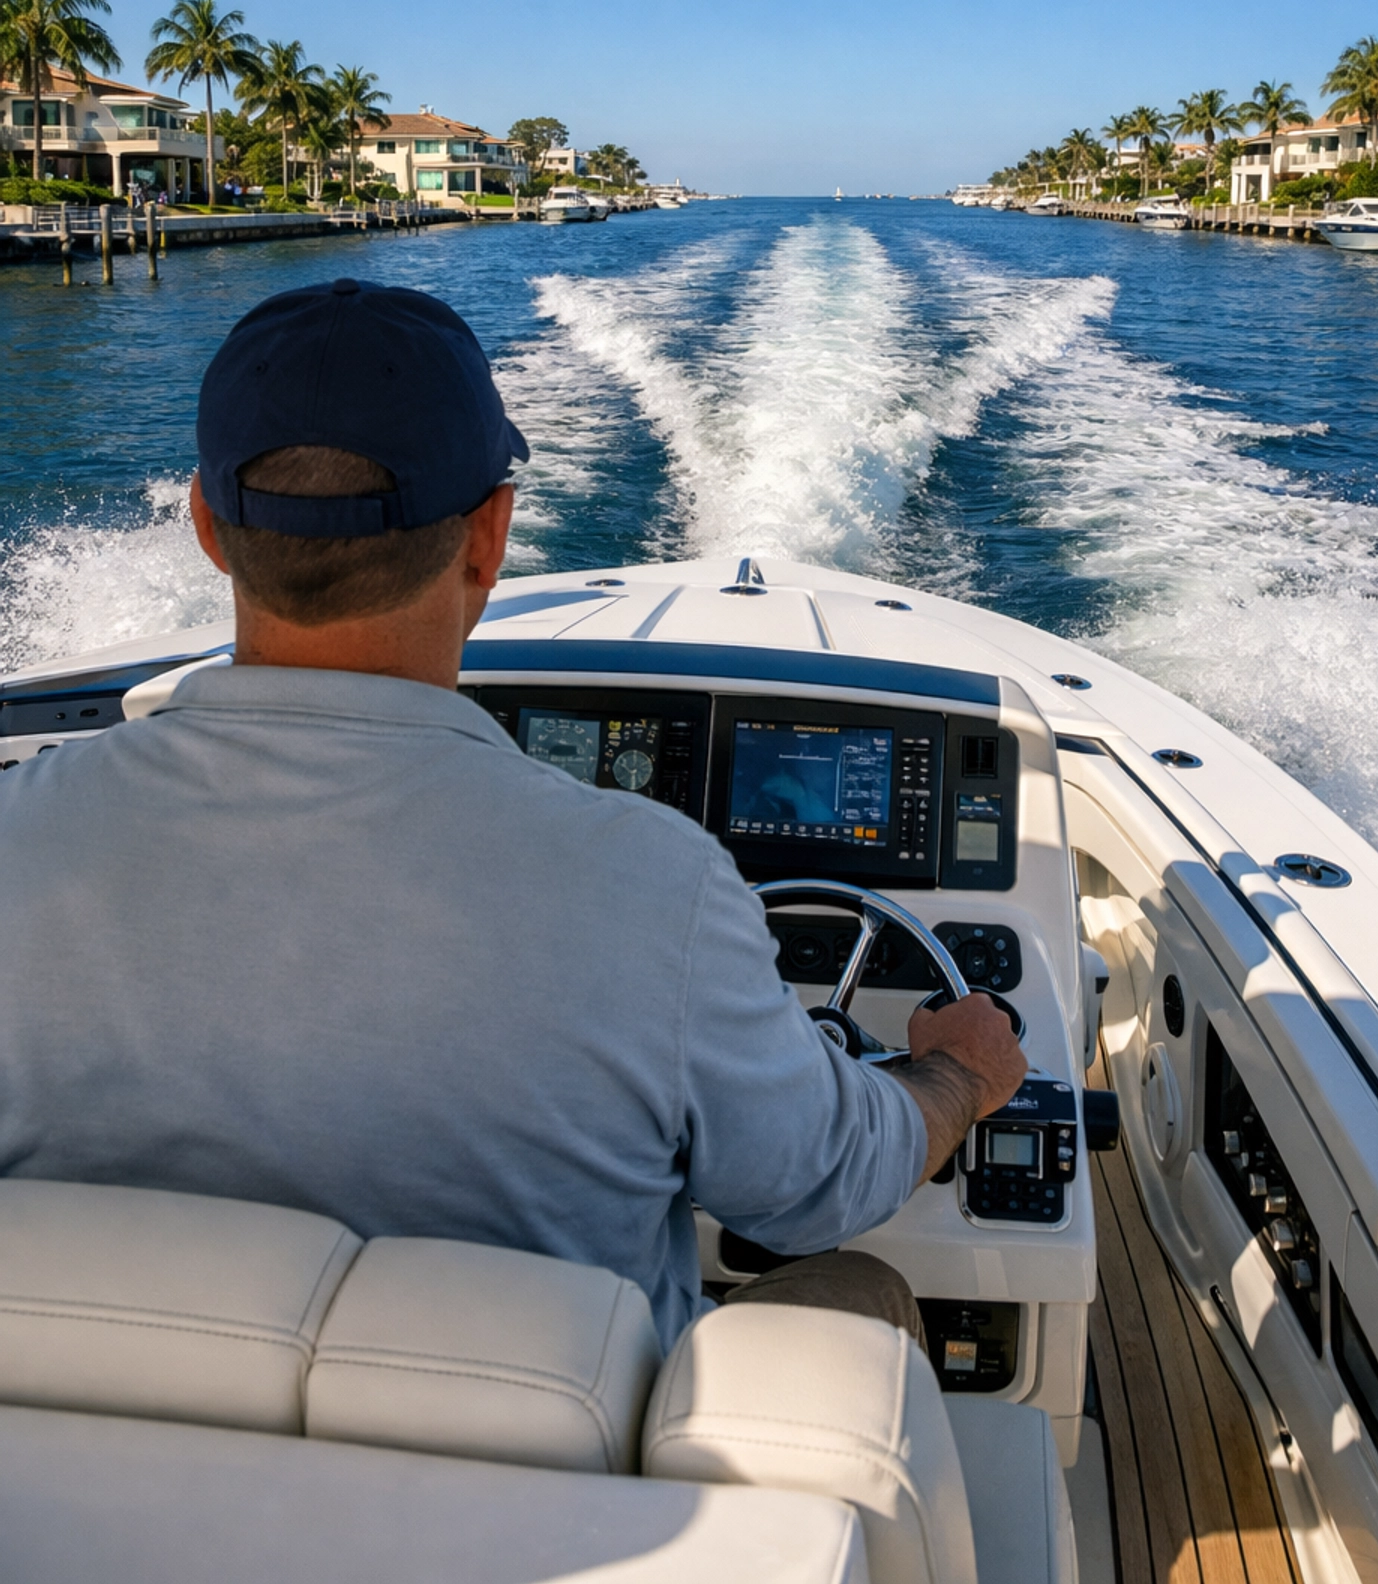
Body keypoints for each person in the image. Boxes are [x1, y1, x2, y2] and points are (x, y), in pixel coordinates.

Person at [0, 279, 1024, 1352]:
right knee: (858, 1298)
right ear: (490, 536)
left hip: (96, 1492)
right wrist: (957, 1070)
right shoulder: (653, 887)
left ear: (209, 528)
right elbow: (817, 1191)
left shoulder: (20, 834)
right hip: (545, 1501)